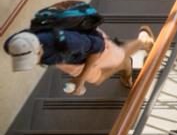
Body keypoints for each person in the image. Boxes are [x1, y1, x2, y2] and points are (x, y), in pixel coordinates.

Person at [4, 24, 154, 94]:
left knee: (120, 55)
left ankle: (143, 40)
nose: (33, 63)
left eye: (32, 59)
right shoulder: (12, 44)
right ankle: (124, 66)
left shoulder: (69, 42)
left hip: (94, 47)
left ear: (38, 47)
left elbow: (98, 46)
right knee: (100, 79)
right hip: (69, 61)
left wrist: (81, 79)